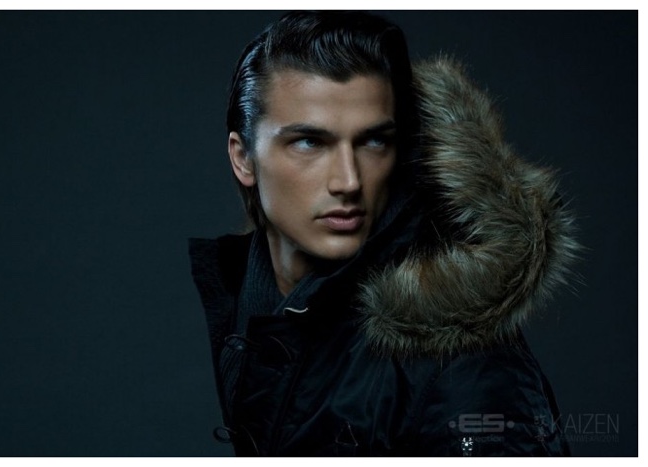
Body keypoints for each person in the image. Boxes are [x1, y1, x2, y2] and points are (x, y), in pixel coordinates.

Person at [189, 10, 578, 456]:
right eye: (310, 142)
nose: (349, 181)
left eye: (374, 141)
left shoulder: (460, 359)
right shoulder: (253, 304)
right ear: (243, 159)